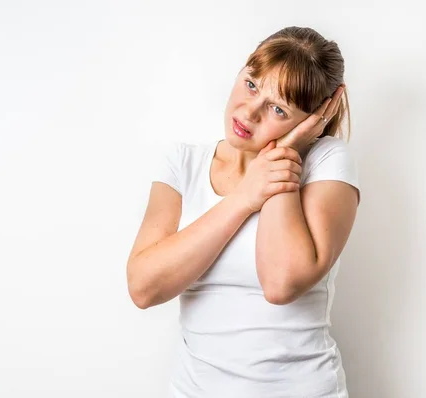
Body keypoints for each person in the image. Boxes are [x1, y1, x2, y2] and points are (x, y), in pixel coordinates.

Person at [127, 26, 361, 397]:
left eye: (278, 108)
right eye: (252, 84)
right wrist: (244, 197)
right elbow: (143, 288)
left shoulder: (325, 162)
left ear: (312, 120)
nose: (249, 112)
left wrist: (282, 157)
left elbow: (281, 283)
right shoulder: (183, 163)